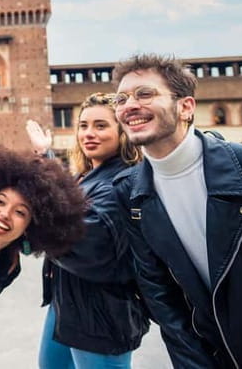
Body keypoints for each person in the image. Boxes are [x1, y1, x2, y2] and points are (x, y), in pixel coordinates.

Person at [110, 53, 242, 368]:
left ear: (185, 107)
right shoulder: (129, 194)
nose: (129, 105)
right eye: (121, 99)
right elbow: (162, 299)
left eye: (145, 94)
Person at [29, 94, 150, 369]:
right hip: (68, 304)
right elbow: (62, 198)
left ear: (122, 132)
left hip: (101, 315)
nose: (89, 134)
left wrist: (30, 224)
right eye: (83, 126)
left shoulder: (121, 182)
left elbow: (86, 243)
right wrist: (45, 156)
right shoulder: (90, 176)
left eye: (101, 126)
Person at [0, 147, 87, 349]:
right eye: (0, 202)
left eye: (20, 212)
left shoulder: (10, 267)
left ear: (31, 226)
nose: (4, 214)